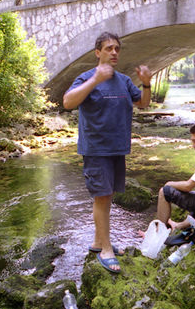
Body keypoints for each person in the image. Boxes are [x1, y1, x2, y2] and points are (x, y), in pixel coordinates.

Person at [63, 31, 152, 273]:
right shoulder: (86, 77)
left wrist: (146, 83)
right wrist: (95, 80)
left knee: (107, 195)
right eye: (109, 48)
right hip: (96, 149)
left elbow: (143, 103)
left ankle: (97, 242)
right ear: (98, 52)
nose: (114, 52)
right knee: (101, 197)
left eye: (117, 49)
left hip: (117, 149)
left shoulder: (123, 80)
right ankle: (106, 250)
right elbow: (68, 102)